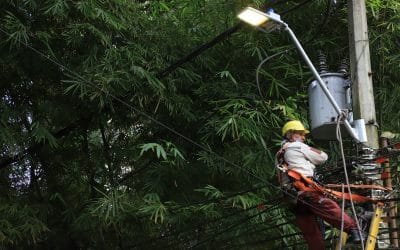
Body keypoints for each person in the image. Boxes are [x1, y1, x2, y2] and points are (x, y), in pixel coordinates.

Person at [276, 120, 363, 250]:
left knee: (309, 229)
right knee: (329, 208)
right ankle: (354, 230)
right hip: (306, 190)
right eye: (301, 134)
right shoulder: (296, 146)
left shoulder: (279, 154)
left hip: (292, 198)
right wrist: (310, 164)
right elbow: (323, 157)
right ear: (293, 135)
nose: (304, 138)